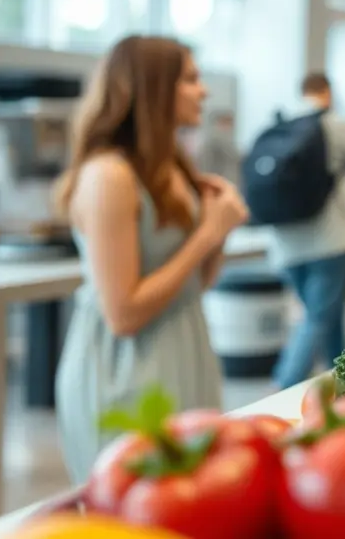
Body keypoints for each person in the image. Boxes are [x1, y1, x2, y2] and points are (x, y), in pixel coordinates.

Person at [52, 35, 248, 482]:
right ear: (153, 88)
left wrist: (217, 233)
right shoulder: (109, 176)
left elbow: (196, 284)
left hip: (184, 347)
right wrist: (207, 234)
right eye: (191, 80)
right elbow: (123, 314)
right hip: (123, 370)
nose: (205, 91)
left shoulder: (172, 169)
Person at [270, 72, 345, 389]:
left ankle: (343, 384)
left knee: (327, 316)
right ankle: (284, 384)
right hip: (331, 241)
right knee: (317, 317)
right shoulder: (339, 127)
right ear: (327, 92)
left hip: (286, 243)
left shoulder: (277, 127)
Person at [193, 111, 241, 188]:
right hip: (216, 189)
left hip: (231, 188)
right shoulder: (209, 147)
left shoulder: (232, 148)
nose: (228, 127)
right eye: (224, 123)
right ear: (217, 124)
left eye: (230, 123)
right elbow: (205, 172)